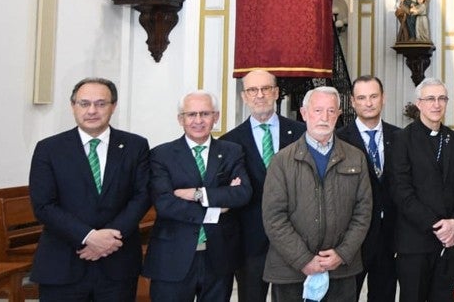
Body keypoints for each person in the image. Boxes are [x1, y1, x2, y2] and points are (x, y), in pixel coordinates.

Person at [28, 78, 152, 301]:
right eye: (84, 103)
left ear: (113, 106)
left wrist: (108, 240)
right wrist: (88, 237)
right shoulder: (49, 149)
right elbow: (43, 205)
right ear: (73, 106)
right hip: (63, 263)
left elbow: (142, 196)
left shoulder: (135, 146)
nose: (92, 110)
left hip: (118, 263)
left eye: (101, 103)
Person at [263, 87, 373, 302]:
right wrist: (304, 260)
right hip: (292, 271)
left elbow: (363, 212)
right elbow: (274, 218)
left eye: (331, 111)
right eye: (318, 110)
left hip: (341, 270)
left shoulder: (355, 158)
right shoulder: (281, 161)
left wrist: (341, 254)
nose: (324, 117)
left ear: (338, 115)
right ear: (304, 113)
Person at [144, 91, 251, 302]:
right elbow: (165, 203)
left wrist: (197, 194)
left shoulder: (232, 151)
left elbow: (242, 193)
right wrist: (217, 206)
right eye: (191, 114)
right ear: (180, 119)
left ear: (216, 117)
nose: (199, 121)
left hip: (219, 256)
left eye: (205, 114)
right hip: (172, 257)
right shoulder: (161, 155)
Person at [220, 70, 307, 302]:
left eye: (266, 89)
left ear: (276, 93)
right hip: (249, 242)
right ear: (244, 97)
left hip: (294, 238)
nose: (260, 95)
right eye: (252, 90)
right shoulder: (229, 142)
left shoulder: (301, 134)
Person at [388, 78, 454, 302]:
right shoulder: (402, 139)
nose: (436, 104)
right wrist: (438, 226)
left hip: (450, 241)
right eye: (430, 99)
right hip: (415, 242)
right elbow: (402, 192)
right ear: (419, 103)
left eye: (442, 98)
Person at [336, 76, 401, 302]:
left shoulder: (400, 137)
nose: (368, 103)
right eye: (362, 98)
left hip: (389, 238)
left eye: (373, 96)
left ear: (383, 99)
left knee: (384, 296)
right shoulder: (339, 139)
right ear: (352, 102)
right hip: (353, 240)